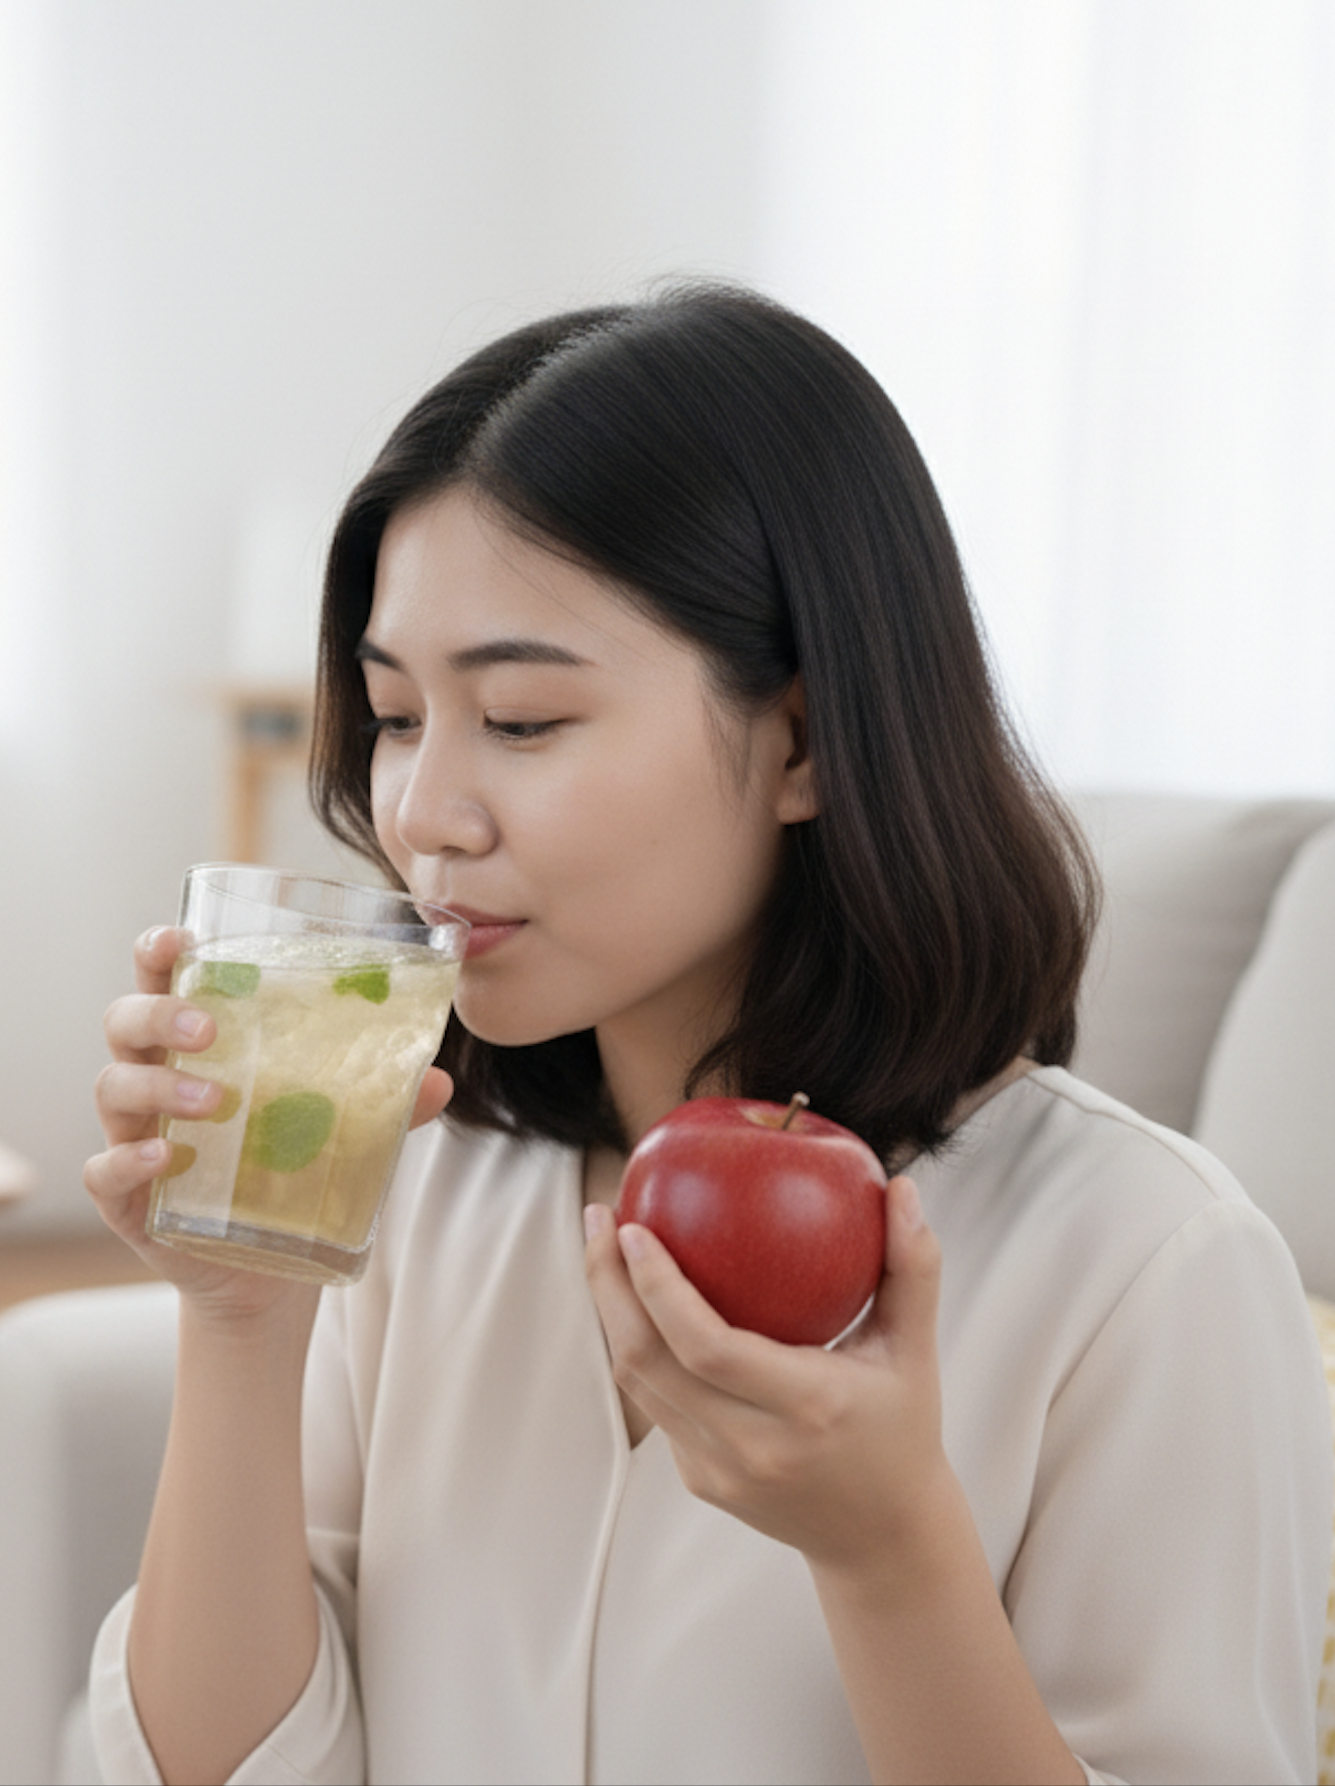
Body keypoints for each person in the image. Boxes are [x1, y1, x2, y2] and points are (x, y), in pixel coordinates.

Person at [82, 285, 1331, 1785]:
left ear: (801, 740)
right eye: (398, 716)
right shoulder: (420, 1181)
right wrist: (240, 1320)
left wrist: (888, 1554)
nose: (420, 814)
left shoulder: (1147, 1264)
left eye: (522, 720)